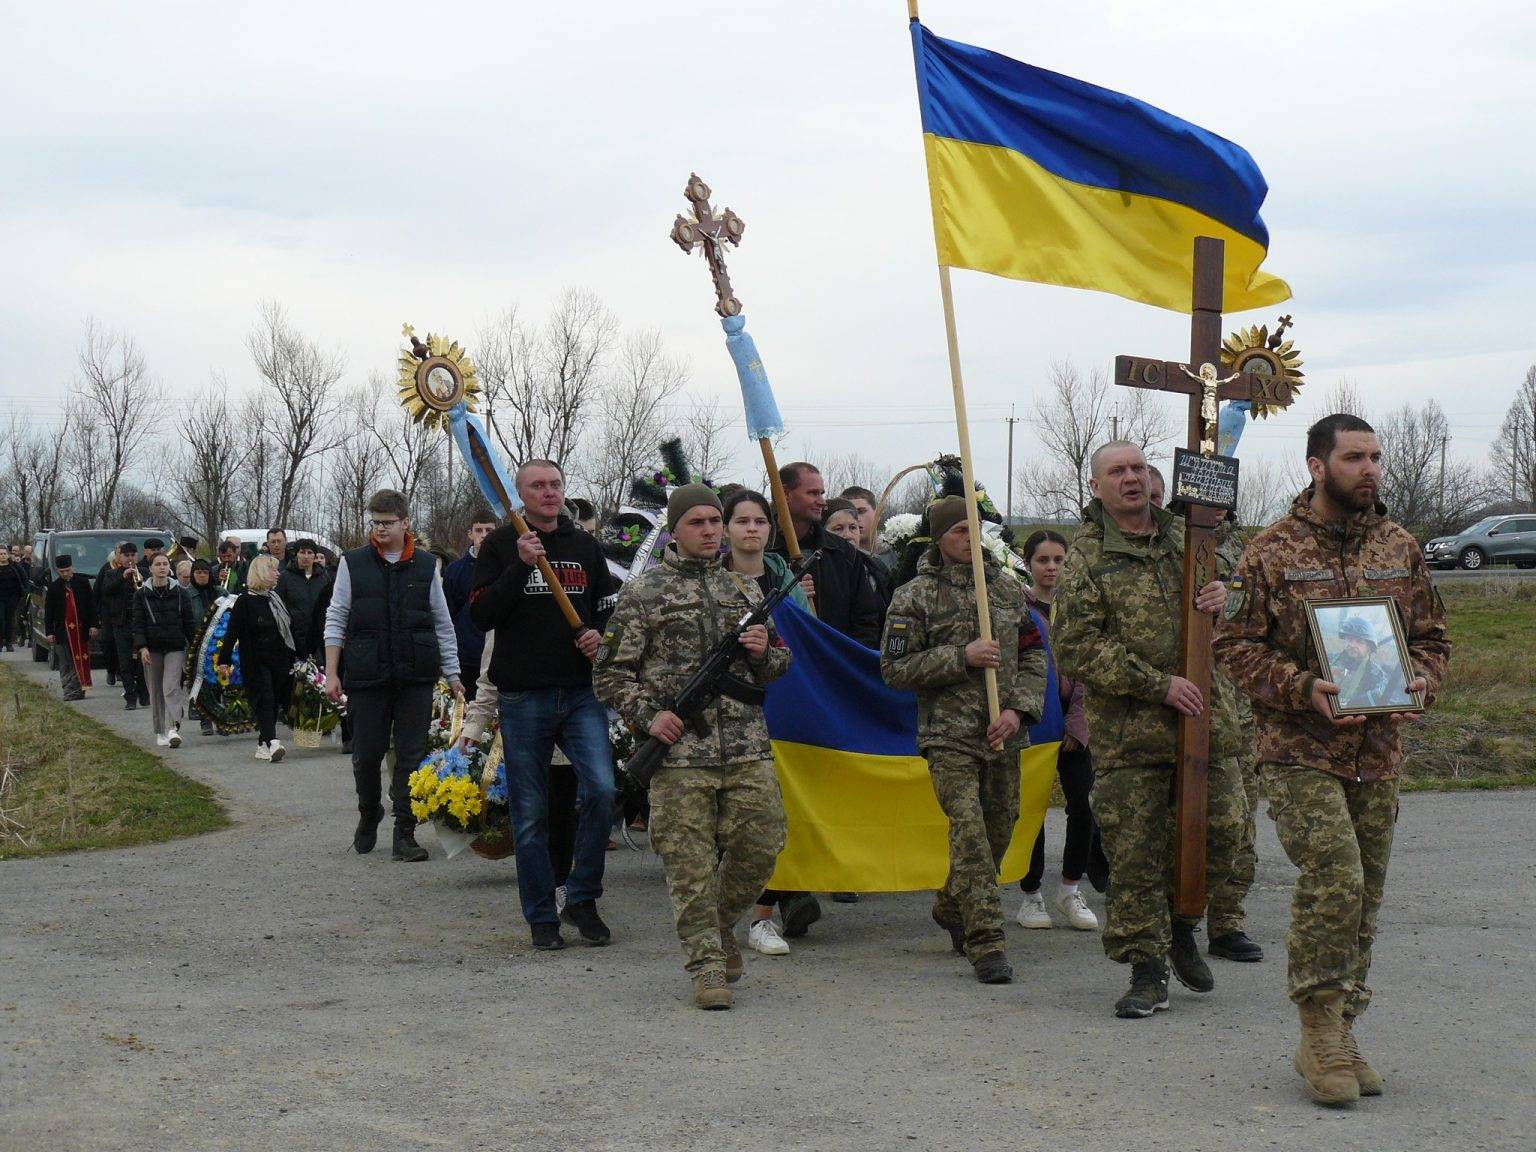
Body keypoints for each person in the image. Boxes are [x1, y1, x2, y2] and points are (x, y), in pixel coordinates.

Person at [1215, 413, 1450, 1106]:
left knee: (1366, 894)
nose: (1370, 468)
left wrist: (1421, 682)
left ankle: (1344, 1028)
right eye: (1354, 457)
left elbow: (1432, 637)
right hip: (1298, 750)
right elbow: (1234, 646)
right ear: (1318, 465)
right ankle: (1317, 1025)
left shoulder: (1399, 546)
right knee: (1336, 874)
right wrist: (1299, 687)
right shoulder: (1271, 551)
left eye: (1376, 457)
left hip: (1377, 751)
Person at [1050, 441, 1242, 1019]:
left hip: (1209, 723)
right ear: (1096, 486)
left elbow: (1244, 594)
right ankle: (1146, 968)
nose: (1130, 479)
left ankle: (1183, 925)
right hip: (1133, 733)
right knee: (1136, 857)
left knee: (1225, 835)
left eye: (1137, 468)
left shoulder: (1193, 536)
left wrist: (1225, 595)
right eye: (1117, 471)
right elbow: (1077, 645)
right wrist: (1156, 683)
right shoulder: (1084, 557)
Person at [595, 484, 793, 1009]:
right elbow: (610, 674)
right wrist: (649, 715)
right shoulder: (646, 593)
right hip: (680, 754)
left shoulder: (745, 590)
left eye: (714, 522)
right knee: (689, 864)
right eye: (697, 523)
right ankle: (707, 966)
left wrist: (762, 651)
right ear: (675, 531)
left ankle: (719, 927)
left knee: (763, 844)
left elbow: (777, 665)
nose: (708, 531)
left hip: (747, 746)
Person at [881, 495, 1044, 986]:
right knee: (970, 833)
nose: (970, 540)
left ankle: (954, 904)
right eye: (958, 532)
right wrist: (961, 656)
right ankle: (986, 941)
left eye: (976, 531)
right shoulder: (914, 596)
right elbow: (894, 669)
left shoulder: (1010, 592)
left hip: (1003, 734)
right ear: (939, 538)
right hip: (949, 736)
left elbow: (1036, 656)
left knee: (998, 832)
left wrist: (1019, 710)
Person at [470, 461, 618, 948]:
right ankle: (541, 917)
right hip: (523, 695)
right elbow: (481, 614)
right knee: (530, 813)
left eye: (555, 484)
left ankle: (581, 897)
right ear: (520, 495)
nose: (549, 493)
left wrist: (600, 634)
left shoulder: (584, 547)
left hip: (580, 693)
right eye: (538, 486)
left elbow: (605, 607)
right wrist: (520, 566)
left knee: (601, 793)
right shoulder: (499, 546)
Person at [324, 490, 462, 862]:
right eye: (375, 522)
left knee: (411, 756)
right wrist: (332, 673)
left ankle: (405, 831)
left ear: (405, 523)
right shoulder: (352, 563)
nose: (380, 529)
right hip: (367, 675)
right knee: (366, 755)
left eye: (387, 522)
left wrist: (452, 673)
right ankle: (370, 812)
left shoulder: (427, 565)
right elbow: (336, 616)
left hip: (415, 675)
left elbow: (442, 622)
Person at [720, 488, 810, 956]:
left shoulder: (792, 584)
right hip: (726, 717)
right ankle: (725, 913)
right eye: (742, 521)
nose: (752, 529)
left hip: (786, 706)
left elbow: (810, 645)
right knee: (731, 822)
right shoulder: (710, 580)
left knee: (775, 815)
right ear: (726, 528)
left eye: (760, 521)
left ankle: (763, 915)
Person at [1012, 530, 1101, 933]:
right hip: (1035, 722)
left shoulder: (1080, 607)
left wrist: (1076, 724)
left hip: (1076, 724)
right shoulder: (1016, 607)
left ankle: (1070, 887)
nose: (1051, 568)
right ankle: (1031, 894)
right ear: (1027, 563)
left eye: (1058, 560)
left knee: (1083, 804)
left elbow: (1087, 667)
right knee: (1031, 806)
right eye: (1042, 560)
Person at [770, 462, 882, 647]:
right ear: (786, 494)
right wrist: (790, 597)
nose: (822, 501)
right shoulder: (765, 553)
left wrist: (848, 659)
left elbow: (866, 619)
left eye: (821, 493)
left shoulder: (842, 553)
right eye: (813, 493)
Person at [219, 555, 297, 763]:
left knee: (274, 702)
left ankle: (263, 744)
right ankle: (273, 742)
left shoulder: (275, 599)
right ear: (262, 572)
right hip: (255, 660)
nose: (278, 573)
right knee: (265, 698)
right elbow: (231, 633)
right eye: (274, 570)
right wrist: (224, 661)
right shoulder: (245, 602)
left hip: (279, 659)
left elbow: (287, 629)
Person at [132, 552, 198, 748]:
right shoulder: (141, 594)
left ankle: (173, 727)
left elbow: (189, 622)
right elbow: (138, 624)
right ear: (150, 568)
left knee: (171, 686)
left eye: (165, 564)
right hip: (151, 648)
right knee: (156, 690)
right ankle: (160, 729)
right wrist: (142, 647)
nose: (161, 567)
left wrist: (194, 645)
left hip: (174, 646)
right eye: (157, 564)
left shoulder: (180, 593)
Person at [442, 509, 498, 702]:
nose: (483, 536)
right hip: (466, 657)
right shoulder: (454, 571)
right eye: (479, 530)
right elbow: (447, 616)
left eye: (489, 530)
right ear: (470, 533)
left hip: (499, 657)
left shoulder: (507, 567)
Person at [100, 542, 149, 709]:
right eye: (126, 556)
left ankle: (143, 690)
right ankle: (130, 696)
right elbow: (106, 591)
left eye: (132, 555)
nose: (129, 559)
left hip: (141, 623)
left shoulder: (144, 572)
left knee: (144, 661)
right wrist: (123, 577)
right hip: (121, 623)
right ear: (119, 557)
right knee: (125, 662)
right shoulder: (111, 574)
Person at [44, 555, 98, 700]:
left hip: (81, 629)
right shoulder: (54, 587)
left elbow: (91, 605)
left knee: (81, 659)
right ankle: (69, 690)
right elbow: (48, 611)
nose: (65, 574)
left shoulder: (82, 582)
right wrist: (49, 632)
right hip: (62, 632)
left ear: (71, 568)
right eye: (62, 571)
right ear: (57, 571)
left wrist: (94, 624)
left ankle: (80, 688)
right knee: (66, 662)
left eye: (67, 570)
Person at [276, 539, 330, 659]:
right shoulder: (285, 577)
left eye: (310, 553)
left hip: (320, 637)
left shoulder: (324, 577)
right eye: (302, 552)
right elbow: (279, 605)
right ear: (296, 554)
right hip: (293, 637)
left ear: (314, 556)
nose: (306, 556)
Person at [1330, 616, 1393, 708]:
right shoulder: (1330, 659)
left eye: (1359, 641)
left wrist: (1350, 705)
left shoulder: (1376, 675)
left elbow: (1381, 700)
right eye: (1350, 639)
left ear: (1369, 647)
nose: (1352, 644)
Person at [840, 485, 896, 574]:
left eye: (861, 511)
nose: (856, 519)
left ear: (877, 513)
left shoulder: (896, 551)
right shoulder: (839, 558)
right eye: (850, 513)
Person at [0, 548, 26, 653]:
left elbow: (24, 577)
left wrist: (23, 592)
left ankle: (9, 642)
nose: (2, 555)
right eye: (0, 554)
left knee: (9, 620)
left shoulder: (14, 566)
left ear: (8, 555)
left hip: (12, 597)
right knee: (1, 620)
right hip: (0, 598)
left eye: (4, 553)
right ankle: (1, 642)